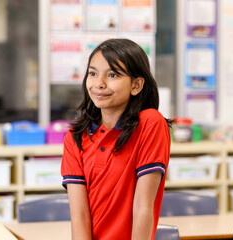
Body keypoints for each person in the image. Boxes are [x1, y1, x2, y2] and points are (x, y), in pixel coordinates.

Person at [61, 38, 172, 240]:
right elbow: (80, 217)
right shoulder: (75, 137)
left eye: (112, 74)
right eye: (93, 73)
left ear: (136, 85)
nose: (99, 84)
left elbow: (143, 207)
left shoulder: (150, 123)